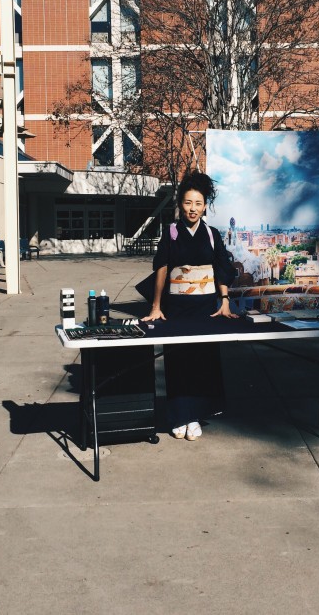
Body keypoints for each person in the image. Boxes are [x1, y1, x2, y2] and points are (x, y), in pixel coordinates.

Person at [142, 171, 238, 441]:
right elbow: (161, 268)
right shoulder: (170, 232)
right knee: (177, 359)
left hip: (205, 306)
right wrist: (156, 306)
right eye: (187, 203)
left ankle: (195, 415)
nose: (192, 208)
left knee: (202, 360)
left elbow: (221, 268)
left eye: (197, 203)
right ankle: (179, 415)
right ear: (180, 204)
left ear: (205, 205)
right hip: (176, 306)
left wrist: (225, 301)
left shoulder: (211, 234)